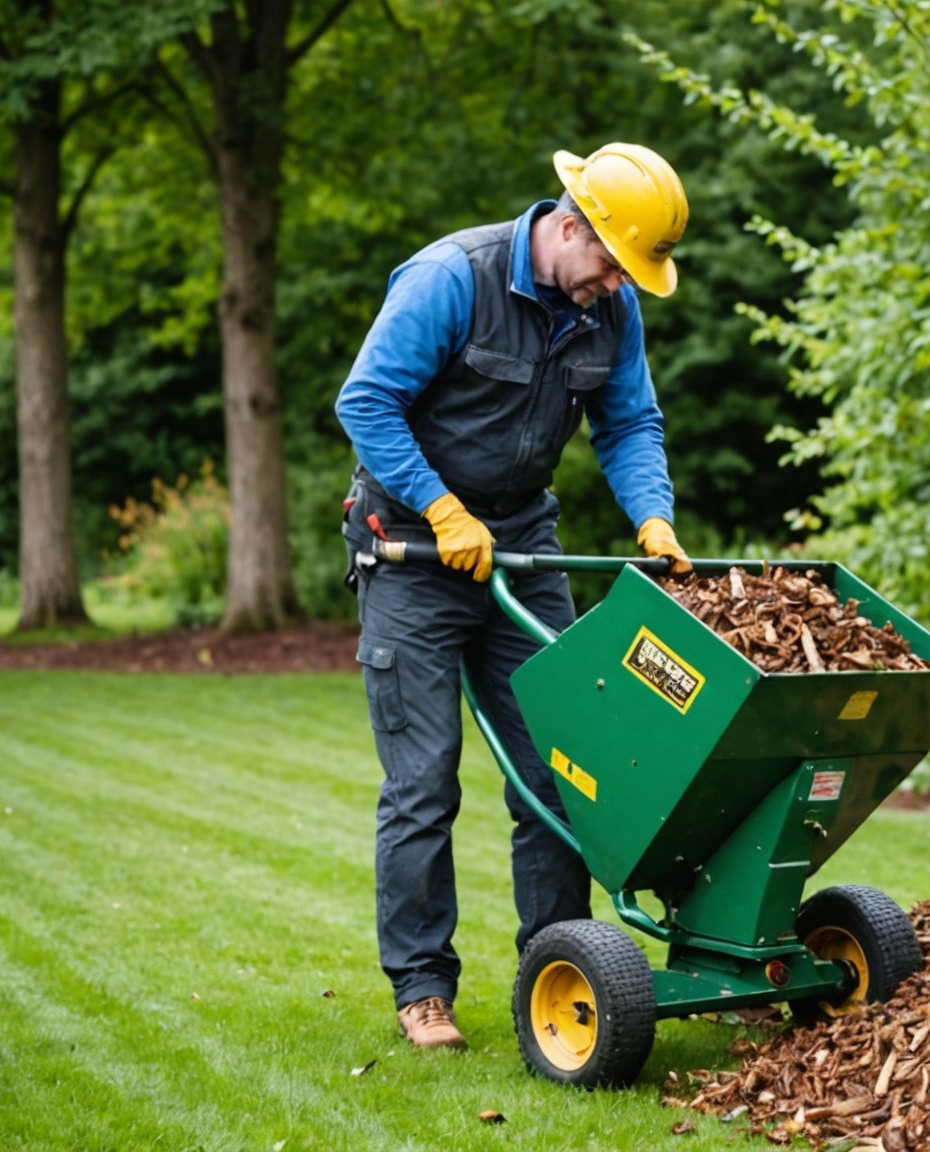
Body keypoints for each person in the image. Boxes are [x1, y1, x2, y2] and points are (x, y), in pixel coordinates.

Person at [335, 143, 695, 1050]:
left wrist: (653, 516)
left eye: (631, 272)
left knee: (559, 770)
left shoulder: (610, 309)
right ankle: (423, 987)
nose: (618, 285)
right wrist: (440, 506)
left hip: (521, 547)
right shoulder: (452, 278)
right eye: (613, 263)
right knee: (424, 782)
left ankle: (560, 970)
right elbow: (366, 402)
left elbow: (629, 421)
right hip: (412, 546)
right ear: (569, 227)